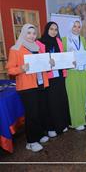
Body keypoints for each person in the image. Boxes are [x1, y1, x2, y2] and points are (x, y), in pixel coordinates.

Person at [6, 24, 50, 152]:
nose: (32, 36)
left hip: (40, 84)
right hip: (27, 87)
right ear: (23, 33)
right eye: (29, 33)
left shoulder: (37, 47)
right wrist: (21, 68)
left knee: (40, 111)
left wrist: (49, 63)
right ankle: (31, 141)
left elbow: (42, 65)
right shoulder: (15, 49)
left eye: (34, 33)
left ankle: (39, 134)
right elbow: (10, 69)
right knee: (32, 114)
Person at [36, 22, 70, 137]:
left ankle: (62, 124)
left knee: (61, 101)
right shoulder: (39, 43)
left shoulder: (59, 42)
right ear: (47, 29)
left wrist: (69, 62)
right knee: (50, 103)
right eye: (51, 29)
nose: (54, 31)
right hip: (48, 77)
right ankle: (51, 127)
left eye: (56, 29)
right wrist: (47, 62)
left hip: (59, 76)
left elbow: (63, 57)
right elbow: (38, 60)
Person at [62, 20, 86, 131]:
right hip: (72, 72)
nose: (77, 29)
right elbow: (62, 57)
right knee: (74, 96)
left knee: (84, 94)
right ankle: (76, 121)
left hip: (83, 71)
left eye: (79, 27)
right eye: (74, 26)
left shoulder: (82, 39)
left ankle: (85, 119)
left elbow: (84, 53)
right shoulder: (64, 40)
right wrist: (68, 62)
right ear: (70, 27)